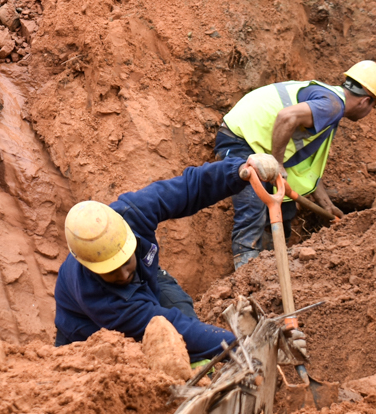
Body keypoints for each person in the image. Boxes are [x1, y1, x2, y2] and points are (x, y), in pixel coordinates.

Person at [54, 154, 284, 363]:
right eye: (111, 271)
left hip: (148, 279)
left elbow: (188, 187)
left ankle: (206, 369)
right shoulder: (98, 298)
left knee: (182, 311)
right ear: (92, 268)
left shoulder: (133, 213)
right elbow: (175, 328)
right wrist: (245, 345)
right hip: (87, 331)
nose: (123, 274)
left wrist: (237, 170)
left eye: (125, 262)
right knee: (141, 356)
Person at [214, 61, 376, 268]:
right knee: (253, 211)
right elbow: (286, 116)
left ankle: (271, 273)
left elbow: (304, 167)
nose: (371, 110)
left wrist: (327, 205)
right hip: (241, 141)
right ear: (365, 101)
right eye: (374, 106)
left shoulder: (329, 105)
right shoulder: (331, 106)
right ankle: (245, 277)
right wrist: (277, 164)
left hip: (256, 146)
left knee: (284, 214)